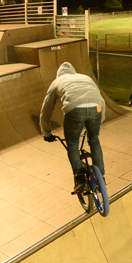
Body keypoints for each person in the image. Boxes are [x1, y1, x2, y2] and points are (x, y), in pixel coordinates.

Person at [40, 62, 105, 194]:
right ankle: (101, 178)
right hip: (97, 108)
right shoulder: (86, 77)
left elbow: (46, 110)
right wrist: (99, 122)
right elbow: (101, 100)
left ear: (59, 75)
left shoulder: (57, 82)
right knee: (94, 140)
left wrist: (46, 133)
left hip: (75, 110)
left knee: (73, 144)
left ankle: (80, 178)